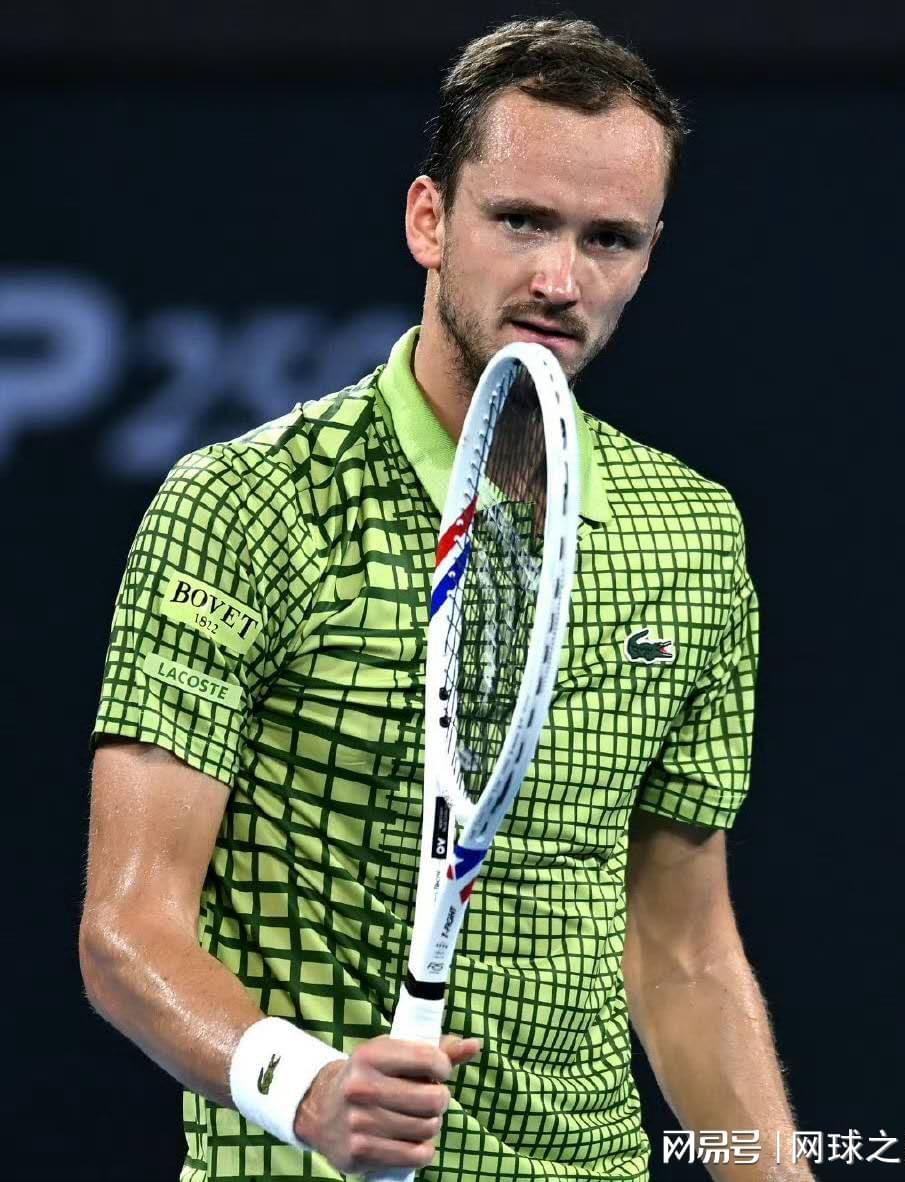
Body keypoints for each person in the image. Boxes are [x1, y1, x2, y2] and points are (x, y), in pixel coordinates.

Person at [80, 17, 812, 1182]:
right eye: (521, 221)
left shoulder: (692, 532)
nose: (560, 279)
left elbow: (682, 954)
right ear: (430, 219)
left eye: (609, 239)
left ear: (648, 257)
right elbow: (128, 933)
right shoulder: (245, 504)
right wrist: (307, 1088)